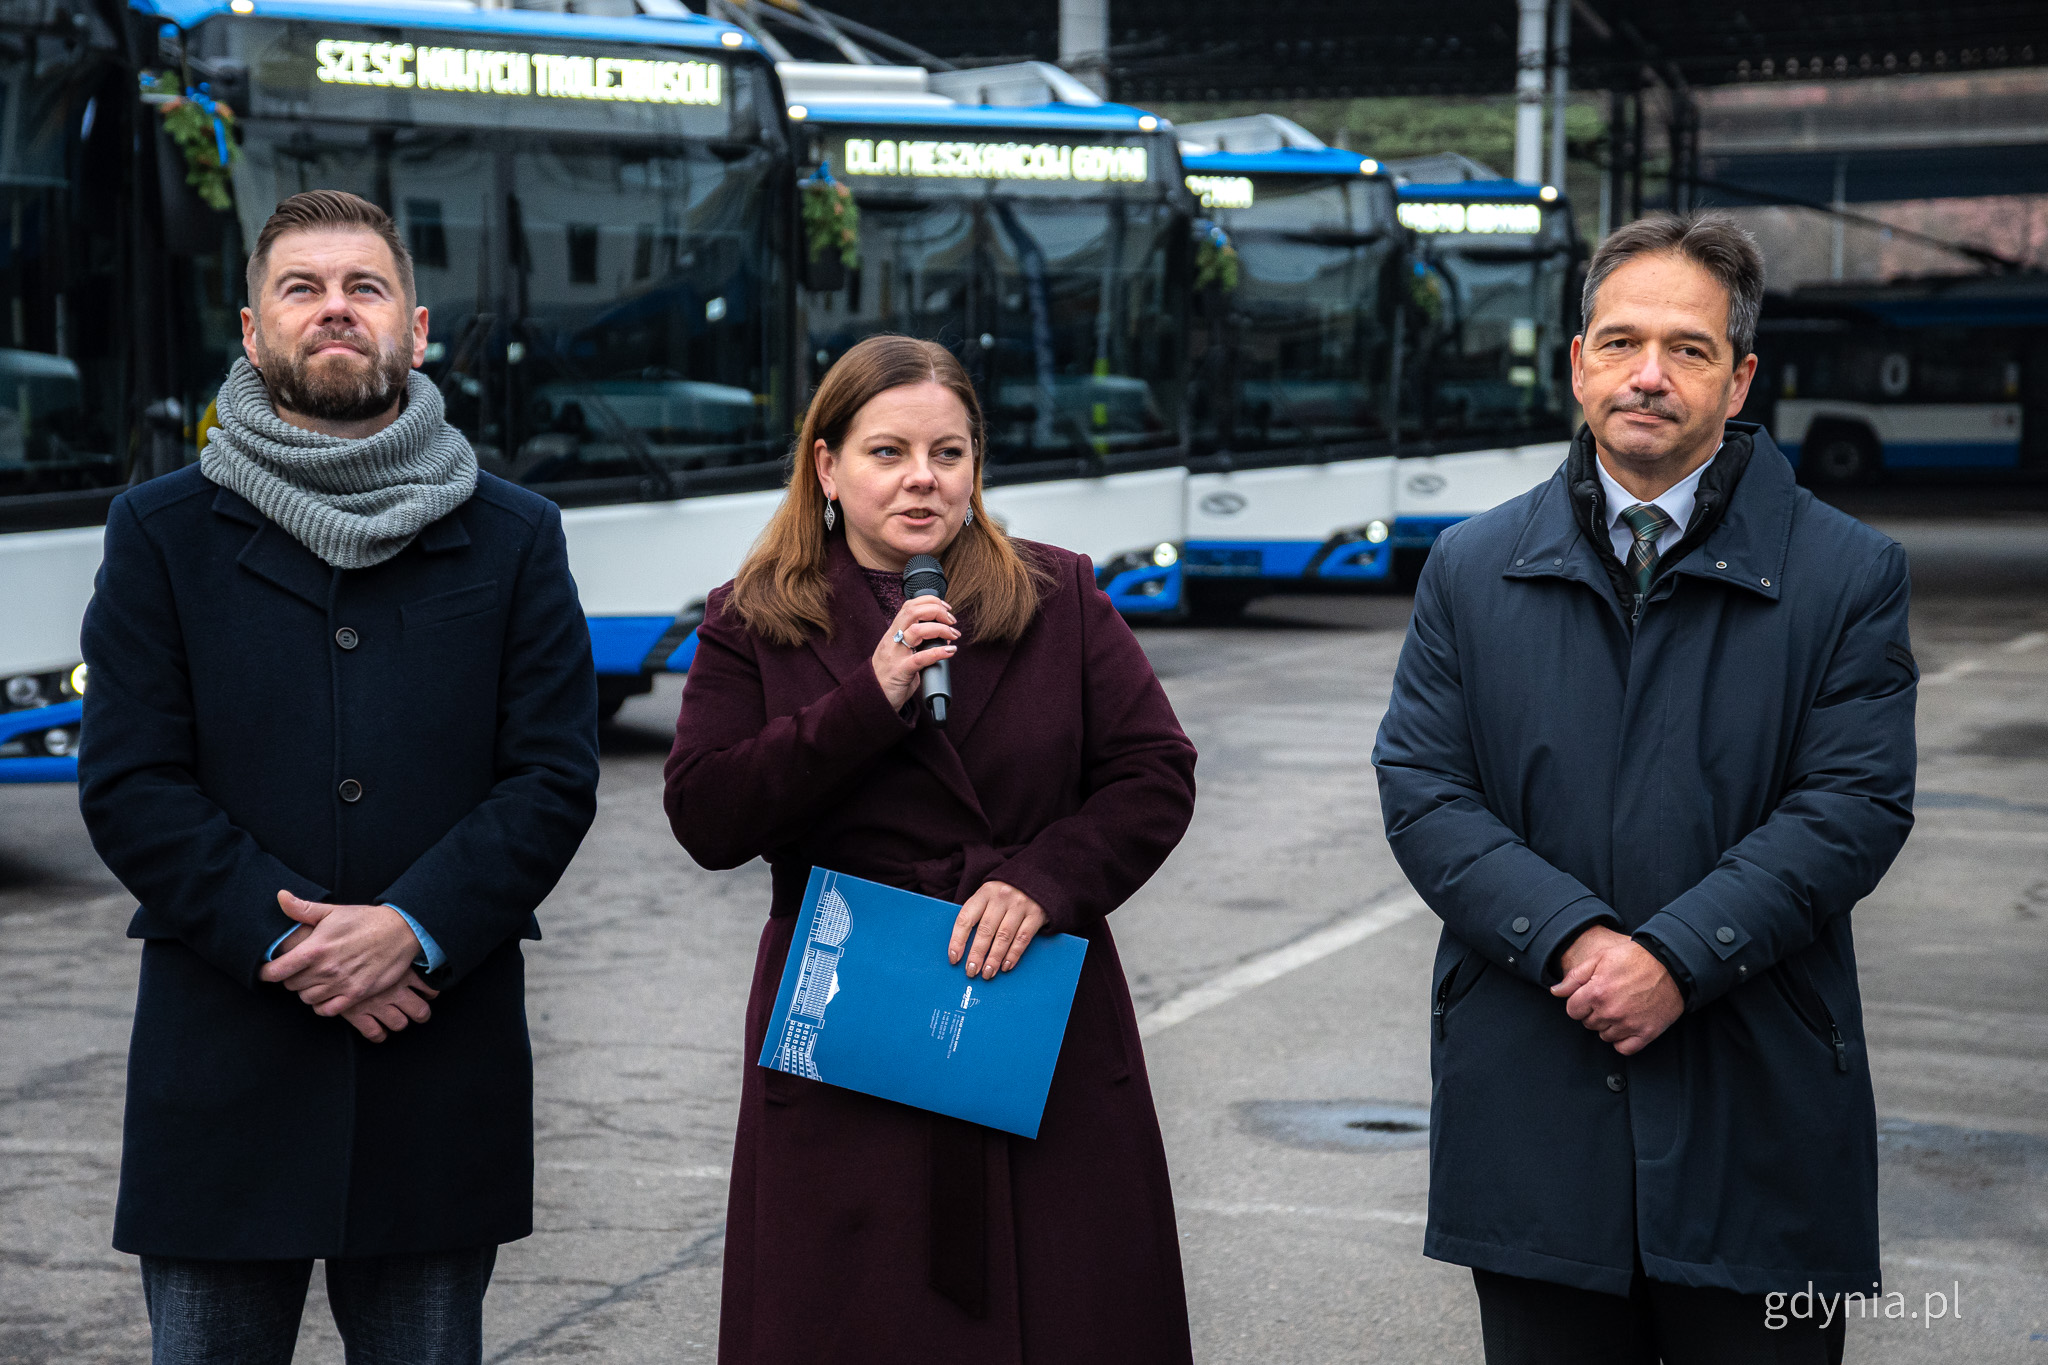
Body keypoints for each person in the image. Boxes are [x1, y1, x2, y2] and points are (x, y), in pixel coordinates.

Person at [1373, 212, 1916, 1365]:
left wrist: (1675, 959)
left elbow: (1850, 807)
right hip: (1533, 1102)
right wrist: (1571, 942)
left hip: (1756, 1112)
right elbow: (1423, 788)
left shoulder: (1845, 573)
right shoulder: (1470, 568)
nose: (1647, 377)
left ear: (1740, 378)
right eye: (1617, 343)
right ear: (1574, 361)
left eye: (1688, 348)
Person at [78, 190, 600, 1363]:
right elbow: (130, 781)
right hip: (222, 1070)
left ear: (415, 332)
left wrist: (413, 926)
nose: (334, 310)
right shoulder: (159, 532)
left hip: (434, 1063)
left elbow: (552, 777)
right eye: (301, 289)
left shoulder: (515, 535)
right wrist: (300, 948)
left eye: (364, 288)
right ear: (254, 334)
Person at [664, 334, 1198, 1362]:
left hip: (1029, 1006)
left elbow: (1152, 773)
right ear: (826, 466)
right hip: (852, 1022)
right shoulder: (753, 618)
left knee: (1066, 1308)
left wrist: (1045, 881)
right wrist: (869, 701)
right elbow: (708, 815)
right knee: (857, 1320)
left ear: (976, 467)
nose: (922, 478)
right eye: (887, 451)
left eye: (947, 453)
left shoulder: (1058, 596)